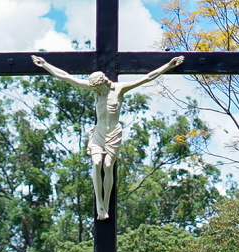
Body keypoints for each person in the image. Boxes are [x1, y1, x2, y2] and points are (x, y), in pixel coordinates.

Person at [30, 54, 184, 219]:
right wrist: (45, 64)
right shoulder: (95, 91)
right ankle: (100, 206)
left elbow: (147, 77)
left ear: (103, 82)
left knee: (108, 166)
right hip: (98, 133)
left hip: (113, 133)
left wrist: (169, 65)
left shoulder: (119, 89)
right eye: (94, 89)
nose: (96, 91)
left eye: (98, 88)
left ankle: (106, 203)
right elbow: (67, 78)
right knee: (97, 163)